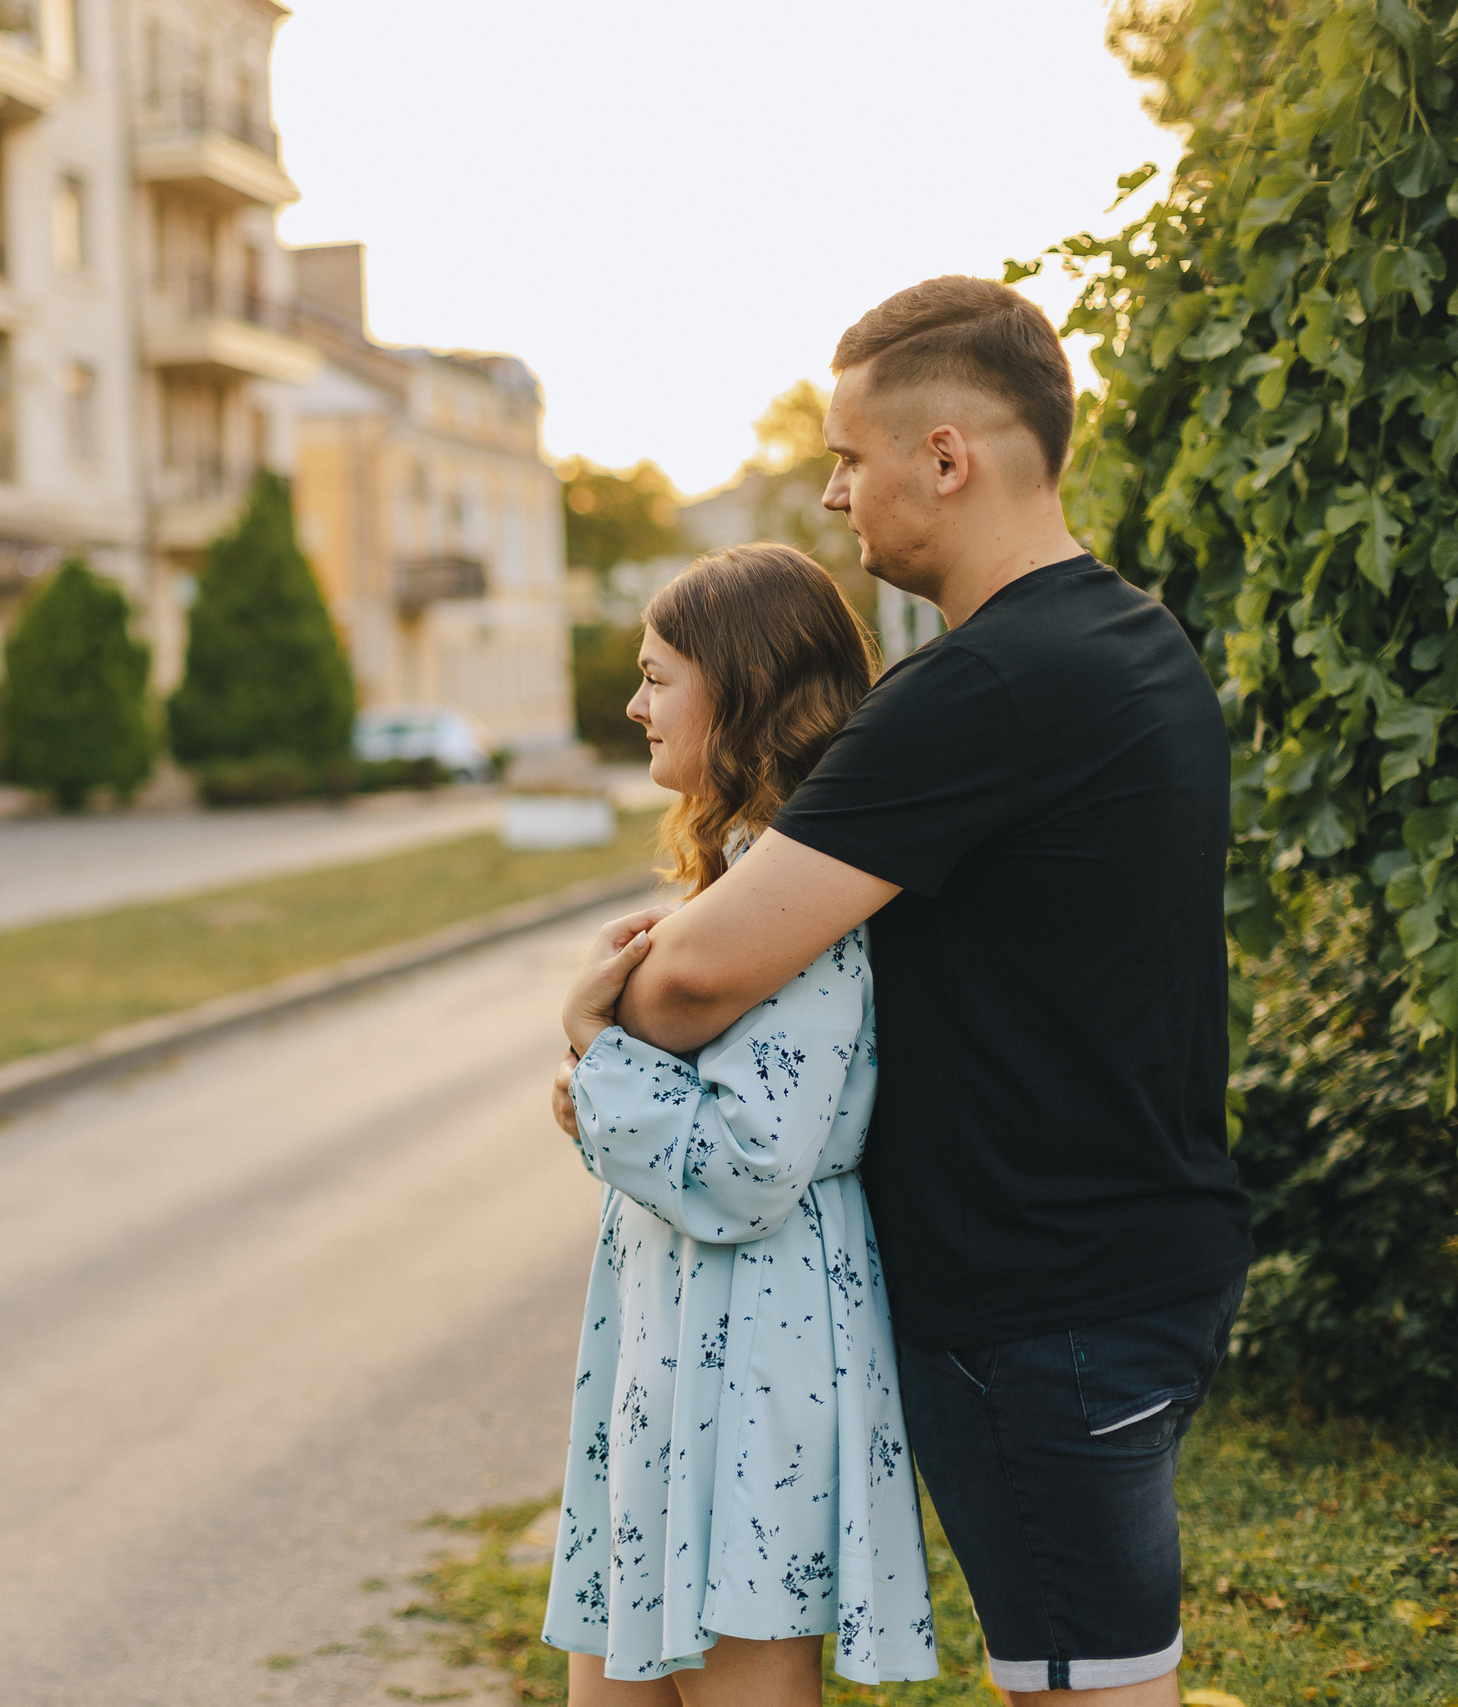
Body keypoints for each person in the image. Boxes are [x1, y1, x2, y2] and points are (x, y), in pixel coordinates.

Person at [563, 276, 1253, 1705]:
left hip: (1044, 1295)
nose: (834, 495)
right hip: (1132, 1255)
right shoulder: (1133, 639)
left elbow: (695, 978)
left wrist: (593, 1027)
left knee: (1091, 1687)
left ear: (946, 456)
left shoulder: (983, 689)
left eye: (848, 457)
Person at [541, 544, 939, 1705]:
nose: (634, 705)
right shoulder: (743, 876)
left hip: (757, 1340)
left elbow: (747, 1164)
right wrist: (604, 1075)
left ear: (742, 686)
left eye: (655, 677)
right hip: (671, 1330)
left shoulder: (800, 895)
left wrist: (596, 1051)